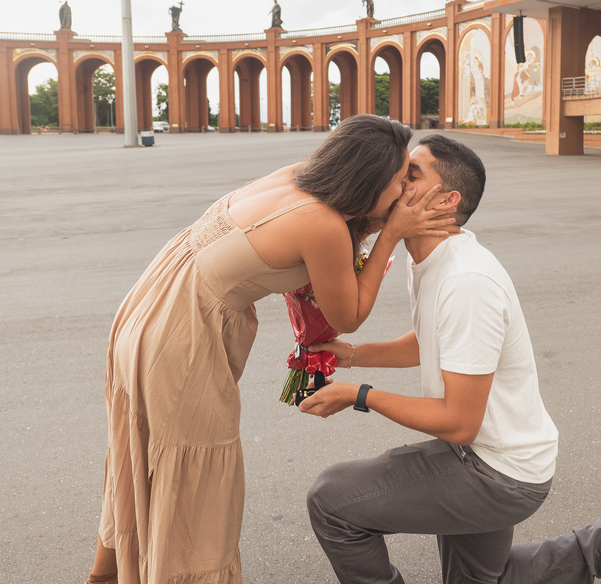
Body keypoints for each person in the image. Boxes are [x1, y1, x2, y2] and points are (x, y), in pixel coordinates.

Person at [84, 114, 456, 584]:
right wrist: (391, 235)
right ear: (368, 180)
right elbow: (349, 315)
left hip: (149, 306)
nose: (405, 190)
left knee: (139, 450)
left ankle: (104, 575)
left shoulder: (299, 178)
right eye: (402, 178)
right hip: (179, 338)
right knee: (195, 475)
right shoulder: (320, 223)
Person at [300, 134, 601, 584]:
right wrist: (352, 355)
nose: (394, 180)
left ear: (446, 201)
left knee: (331, 501)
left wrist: (359, 395)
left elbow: (460, 421)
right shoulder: (433, 258)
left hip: (494, 471)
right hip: (499, 457)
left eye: (410, 174)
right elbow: (432, 340)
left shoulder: (467, 281)